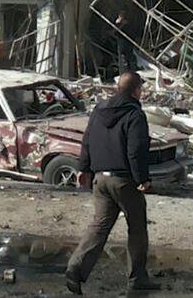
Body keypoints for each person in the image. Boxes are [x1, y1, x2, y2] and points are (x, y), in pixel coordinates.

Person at [65, 71, 160, 294]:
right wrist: (143, 180)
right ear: (136, 90)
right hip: (124, 181)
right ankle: (137, 277)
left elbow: (87, 140)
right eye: (141, 89)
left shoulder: (99, 110)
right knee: (137, 227)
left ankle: (75, 270)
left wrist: (83, 168)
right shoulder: (135, 114)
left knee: (99, 227)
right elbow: (136, 150)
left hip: (100, 180)